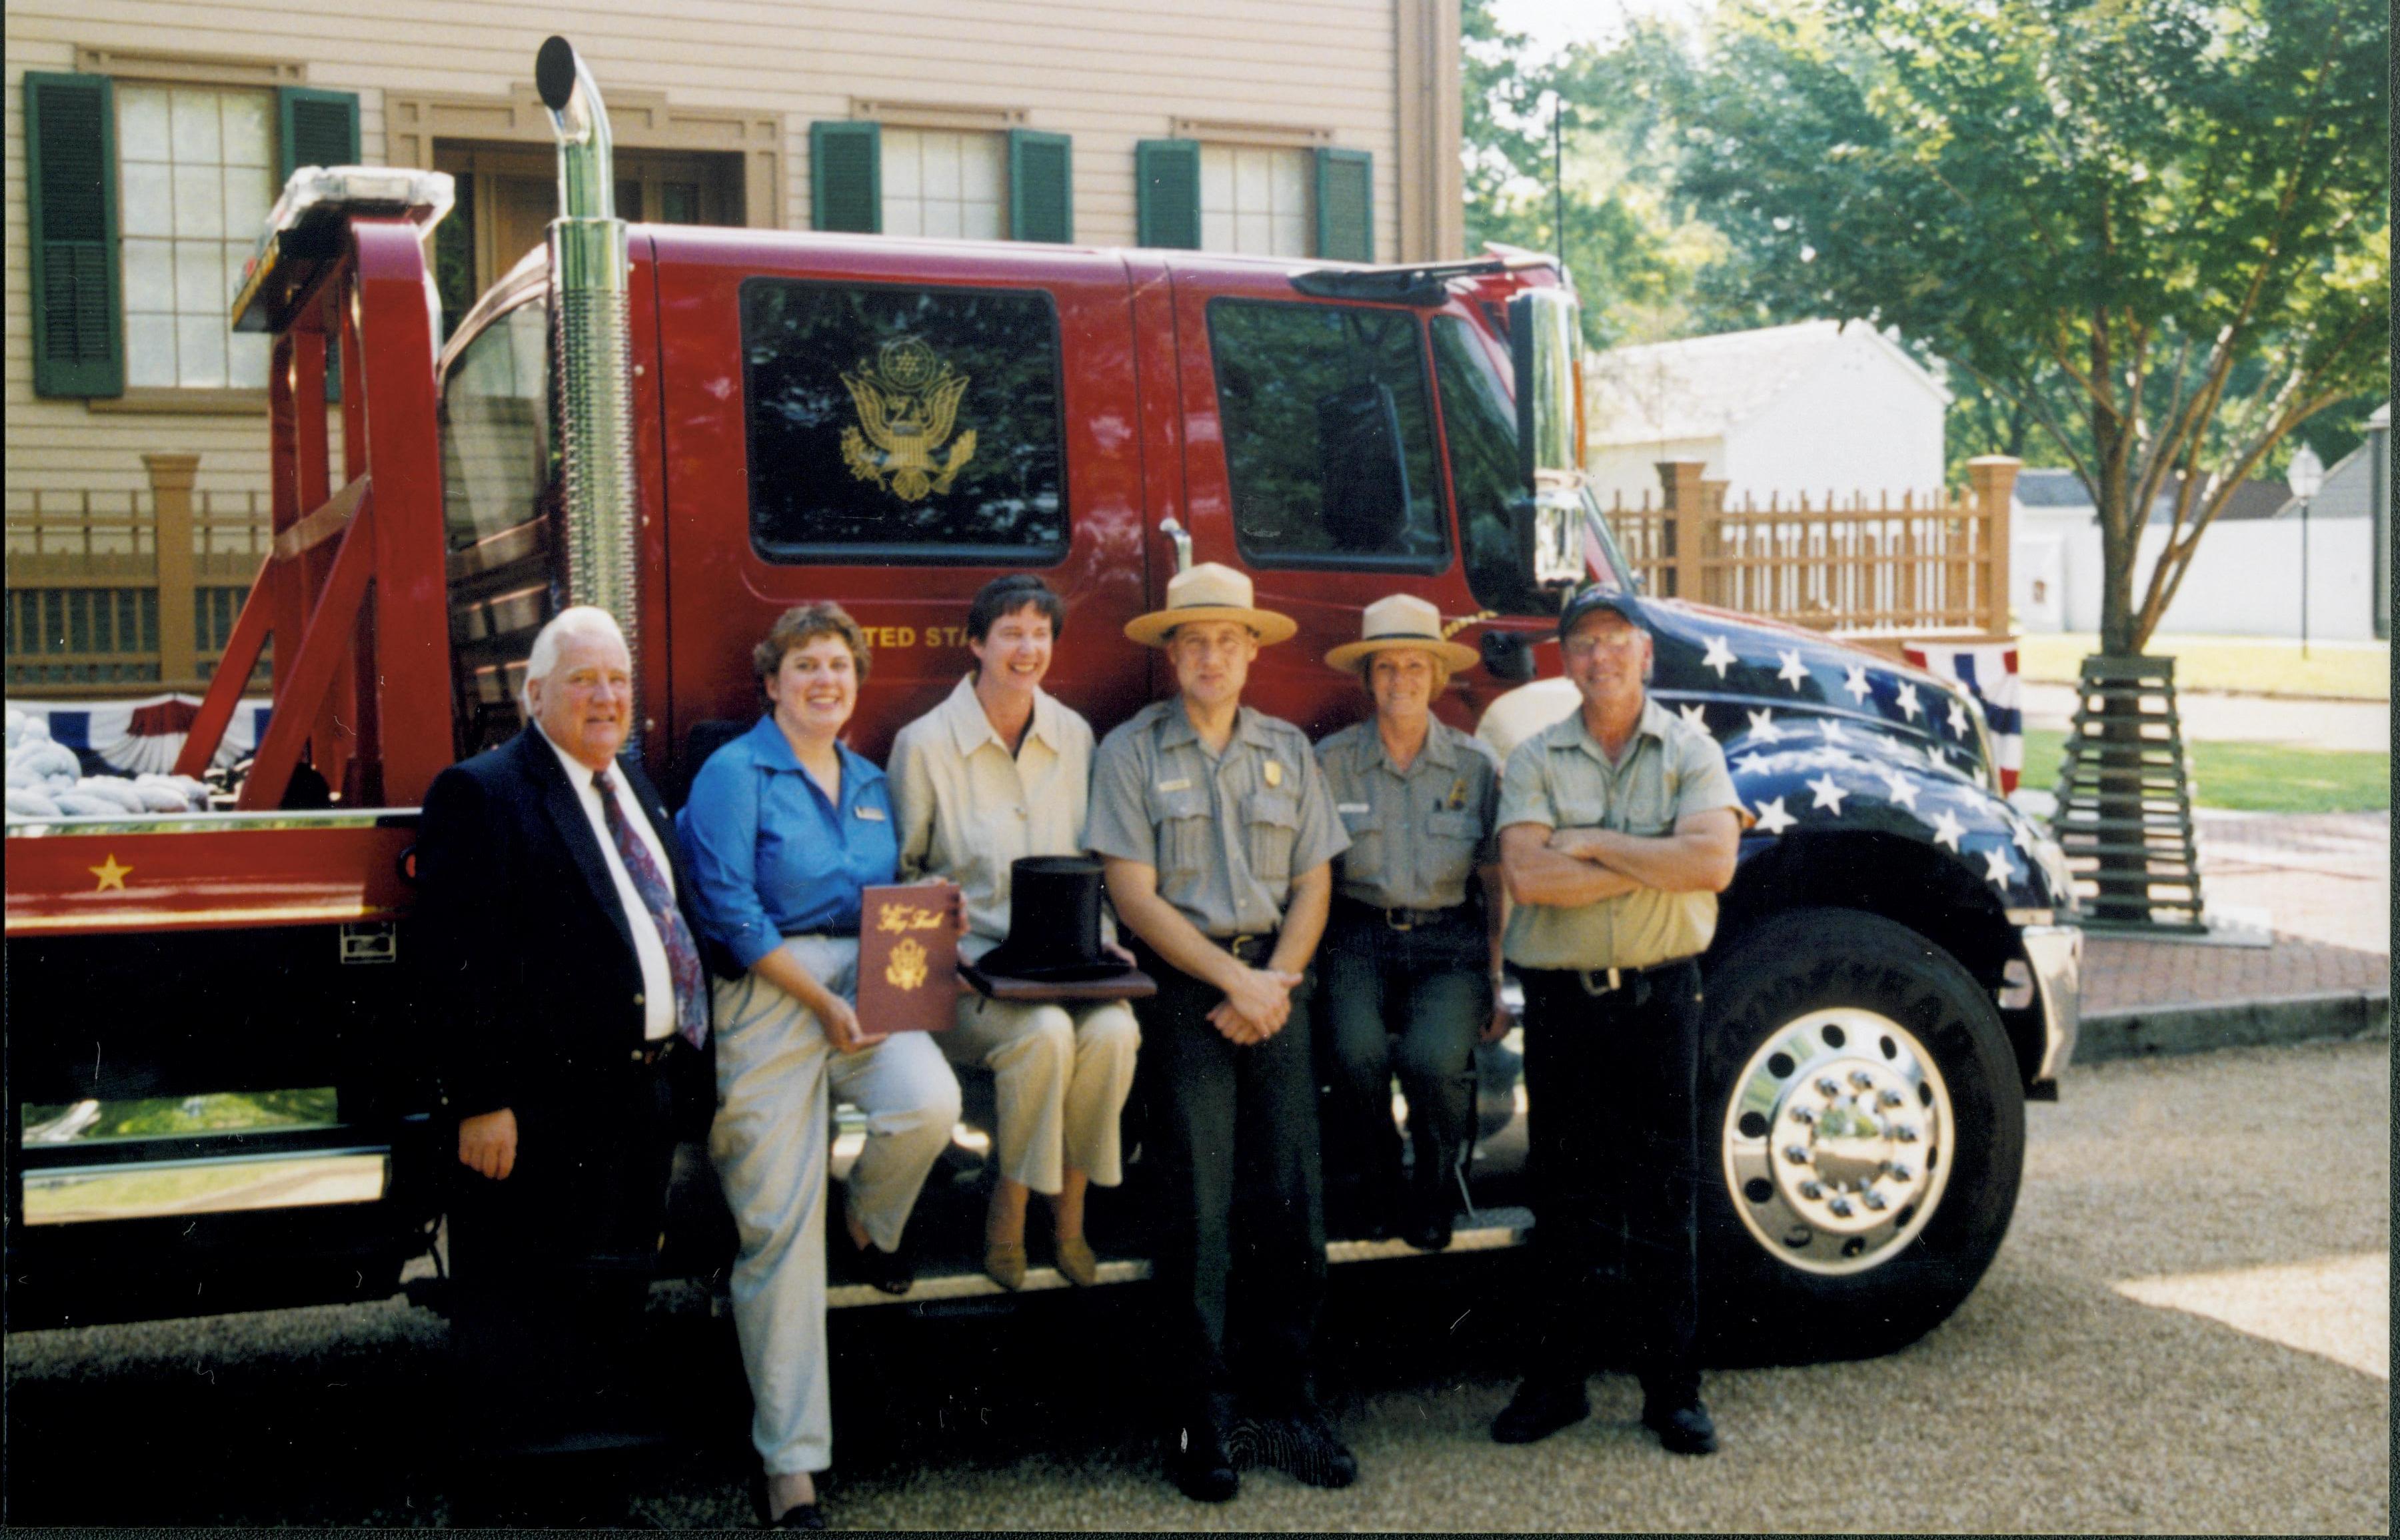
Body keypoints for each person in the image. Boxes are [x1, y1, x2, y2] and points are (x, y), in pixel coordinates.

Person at [414, 606, 711, 1523]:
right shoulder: (484, 790)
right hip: (539, 1109)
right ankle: (509, 1503)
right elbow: (455, 960)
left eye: (618, 679)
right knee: (520, 1310)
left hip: (638, 1092)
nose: (607, 695)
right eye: (584, 679)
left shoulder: (632, 786)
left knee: (611, 1298)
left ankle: (593, 1491)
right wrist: (480, 1100)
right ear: (531, 692)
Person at [676, 602, 964, 1528]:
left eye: (838, 664)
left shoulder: (873, 778)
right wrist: (821, 999)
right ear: (771, 680)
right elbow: (730, 908)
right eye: (805, 664)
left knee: (930, 1100)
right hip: (771, 991)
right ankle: (791, 1462)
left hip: (865, 984)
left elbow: (880, 889)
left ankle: (870, 1222)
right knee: (776, 1229)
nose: (824, 679)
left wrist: (926, 912)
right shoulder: (734, 771)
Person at [1086, 562, 1356, 1503]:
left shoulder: (1287, 745)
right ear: (1171, 654)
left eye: (1226, 639)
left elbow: (1316, 880)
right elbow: (1131, 890)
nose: (1211, 654)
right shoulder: (1130, 749)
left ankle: (1289, 1403)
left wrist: (1273, 977)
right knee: (1196, 1205)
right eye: (1192, 640)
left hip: (1274, 983)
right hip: (1184, 988)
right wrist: (1233, 976)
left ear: (1251, 649)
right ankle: (1201, 1414)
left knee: (1289, 1199)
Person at [1486, 583, 1746, 1457]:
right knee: (1561, 1195)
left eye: (1616, 639)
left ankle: (1672, 1393)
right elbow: (1529, 876)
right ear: (1567, 660)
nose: (1600, 657)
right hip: (1565, 1005)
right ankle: (1555, 1384)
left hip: (1660, 998)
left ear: (1645, 652)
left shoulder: (1691, 749)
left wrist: (1590, 841)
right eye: (1584, 643)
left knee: (1666, 1194)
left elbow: (1712, 860)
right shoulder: (1532, 758)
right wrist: (1652, 860)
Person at [888, 574, 1140, 1291]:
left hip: (1066, 967)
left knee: (1114, 1033)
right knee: (1045, 1037)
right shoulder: (925, 744)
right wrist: (943, 922)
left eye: (1040, 634)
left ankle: (1071, 1213)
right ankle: (1010, 1205)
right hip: (963, 979)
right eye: (1010, 633)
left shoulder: (1075, 736)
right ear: (976, 643)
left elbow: (1094, 861)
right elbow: (902, 875)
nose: (1027, 649)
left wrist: (1107, 937)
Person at [1312, 594, 1509, 1252]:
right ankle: (1377, 1178)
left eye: (1415, 667)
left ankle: (1432, 1179)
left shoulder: (1473, 766)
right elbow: (1310, 874)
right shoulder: (1330, 761)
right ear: (1367, 678)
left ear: (1437, 677)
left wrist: (1497, 975)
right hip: (1357, 932)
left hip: (1447, 938)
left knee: (1433, 1061)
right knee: (1354, 1054)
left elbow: (1491, 878)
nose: (1401, 681)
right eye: (1387, 667)